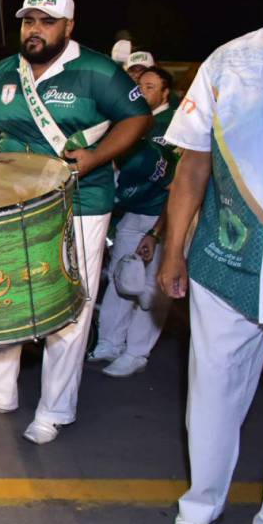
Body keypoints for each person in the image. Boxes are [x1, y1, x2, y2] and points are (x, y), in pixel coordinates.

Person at [0, 0, 152, 444]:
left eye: (47, 22)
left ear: (69, 26)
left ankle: (55, 409)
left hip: (80, 200)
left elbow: (138, 118)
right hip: (10, 199)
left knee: (69, 302)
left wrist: (97, 156)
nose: (35, 30)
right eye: (29, 21)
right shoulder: (3, 72)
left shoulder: (98, 70)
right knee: (2, 294)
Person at [157, 15, 263, 524]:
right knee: (212, 394)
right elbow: (193, 165)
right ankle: (201, 502)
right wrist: (173, 251)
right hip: (225, 261)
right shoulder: (232, 59)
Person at [89, 66, 177, 377]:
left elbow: (177, 187)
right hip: (131, 214)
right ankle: (110, 343)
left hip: (162, 215)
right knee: (120, 277)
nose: (141, 92)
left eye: (150, 87)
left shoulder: (176, 124)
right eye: (139, 86)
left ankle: (137, 352)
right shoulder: (130, 121)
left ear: (165, 93)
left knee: (150, 286)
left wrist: (157, 232)